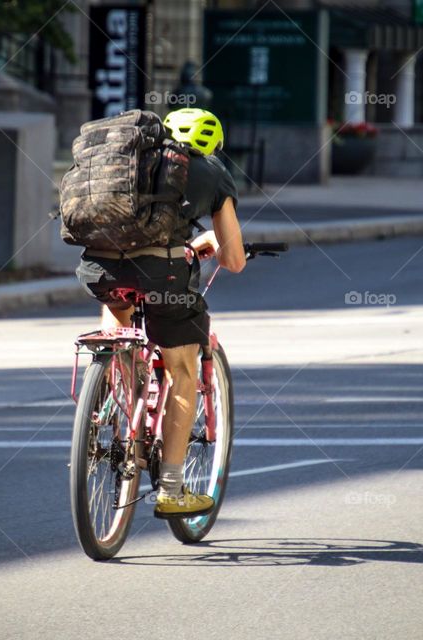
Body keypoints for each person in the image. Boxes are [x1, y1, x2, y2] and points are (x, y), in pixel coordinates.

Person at [75, 108, 246, 518]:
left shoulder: (134, 158)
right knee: (182, 371)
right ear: (214, 144)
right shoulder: (212, 172)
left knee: (119, 313)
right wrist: (211, 244)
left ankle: (115, 388)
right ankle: (171, 488)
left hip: (97, 269)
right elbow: (235, 259)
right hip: (163, 275)